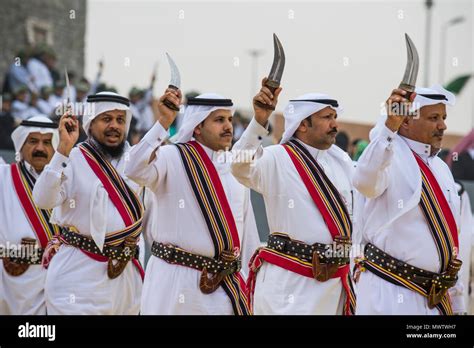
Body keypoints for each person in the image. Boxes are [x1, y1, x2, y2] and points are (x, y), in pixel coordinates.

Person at [124, 89, 260, 315]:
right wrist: (162, 124)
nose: (228, 126)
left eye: (229, 120)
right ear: (197, 126)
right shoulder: (172, 156)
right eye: (219, 120)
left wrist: (249, 285)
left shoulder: (236, 169)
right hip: (175, 284)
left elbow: (248, 238)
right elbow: (134, 168)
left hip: (225, 288)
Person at [231, 78, 356, 315]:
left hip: (334, 289)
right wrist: (259, 121)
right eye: (326, 117)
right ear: (302, 124)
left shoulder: (342, 163)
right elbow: (239, 166)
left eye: (334, 117)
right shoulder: (276, 158)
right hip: (289, 287)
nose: (334, 125)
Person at [353, 85, 465, 315]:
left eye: (443, 117)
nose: (442, 125)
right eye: (433, 118)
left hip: (434, 300)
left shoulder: (441, 168)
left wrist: (458, 301)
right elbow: (364, 180)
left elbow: (451, 241)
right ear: (405, 121)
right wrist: (388, 127)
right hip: (389, 295)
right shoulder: (388, 157)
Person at [32, 92, 144, 314]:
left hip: (124, 280)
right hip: (76, 276)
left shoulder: (137, 162)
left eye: (120, 120)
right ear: (90, 125)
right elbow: (43, 200)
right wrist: (62, 149)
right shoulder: (72, 157)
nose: (114, 126)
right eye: (106, 119)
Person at [0, 115, 59, 314]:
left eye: (47, 142)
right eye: (33, 141)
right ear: (20, 145)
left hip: (58, 281)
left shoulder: (68, 180)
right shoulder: (3, 176)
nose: (40, 148)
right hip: (12, 284)